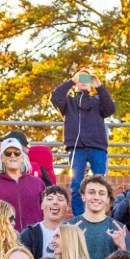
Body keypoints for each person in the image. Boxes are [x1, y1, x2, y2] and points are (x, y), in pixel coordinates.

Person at [52, 72, 118, 213]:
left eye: (87, 78)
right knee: (76, 186)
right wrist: (70, 81)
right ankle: (80, 218)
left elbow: (110, 109)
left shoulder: (98, 100)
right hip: (77, 149)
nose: (83, 81)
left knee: (102, 184)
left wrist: (99, 86)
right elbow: (55, 97)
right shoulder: (68, 102)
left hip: (97, 147)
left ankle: (103, 215)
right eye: (80, 78)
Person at [0, 131, 47, 230]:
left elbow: (47, 212)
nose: (13, 156)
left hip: (33, 239)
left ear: (22, 157)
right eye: (8, 153)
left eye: (17, 153)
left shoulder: (38, 183)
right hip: (4, 239)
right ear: (2, 158)